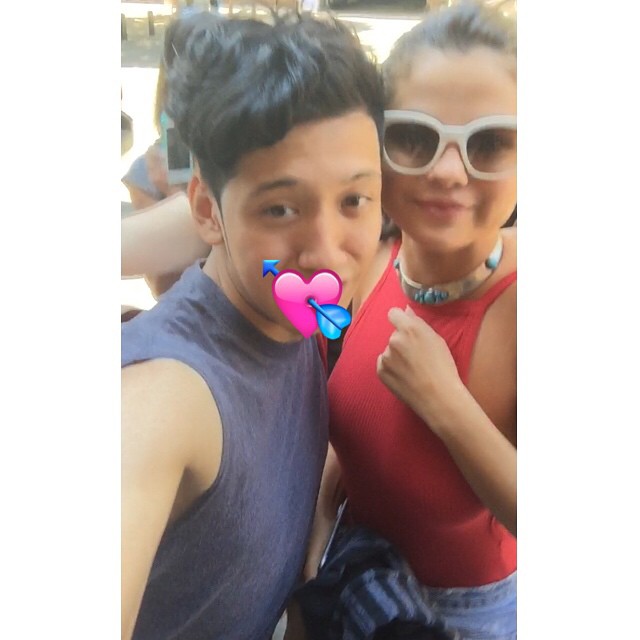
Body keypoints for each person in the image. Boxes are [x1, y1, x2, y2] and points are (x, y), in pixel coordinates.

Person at [121, 13, 385, 640]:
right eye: (280, 208)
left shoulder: (295, 304)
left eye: (353, 200)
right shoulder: (167, 393)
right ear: (207, 211)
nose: (326, 251)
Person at [306, 3, 517, 638]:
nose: (449, 171)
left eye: (490, 142)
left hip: (464, 616)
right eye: (415, 136)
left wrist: (445, 401)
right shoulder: (365, 257)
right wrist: (319, 521)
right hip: (356, 577)